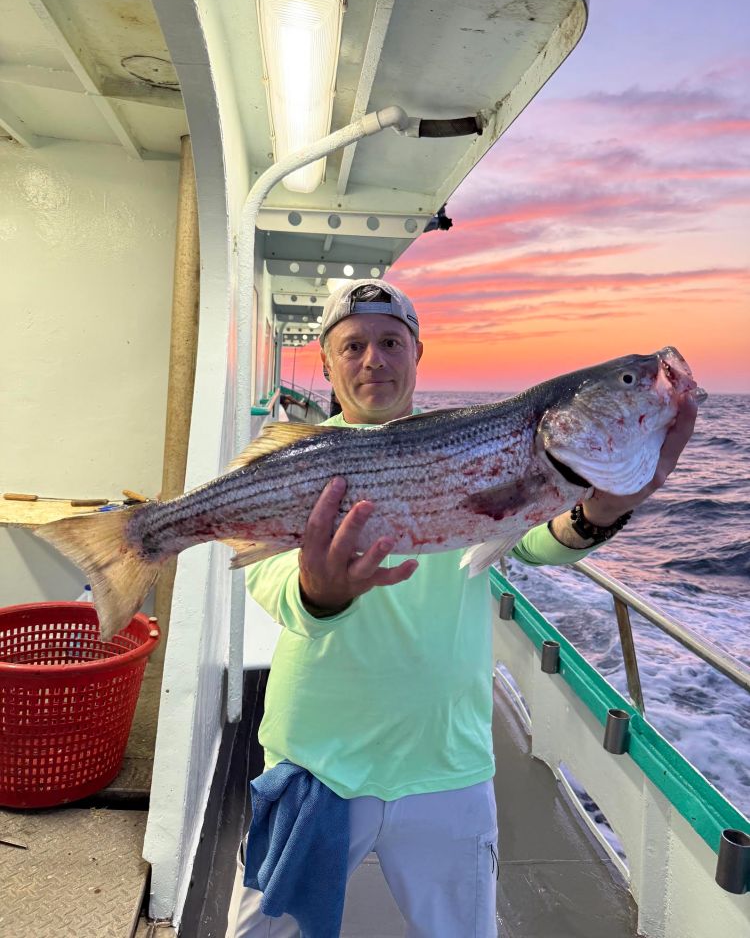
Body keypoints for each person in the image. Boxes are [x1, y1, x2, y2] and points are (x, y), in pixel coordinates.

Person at [226, 281, 697, 938]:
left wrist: (601, 512)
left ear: (418, 353)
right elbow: (270, 583)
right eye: (353, 346)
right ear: (327, 363)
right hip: (319, 755)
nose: (374, 360)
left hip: (447, 760)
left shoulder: (473, 445)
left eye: (391, 342)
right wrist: (320, 592)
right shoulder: (299, 462)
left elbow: (534, 540)